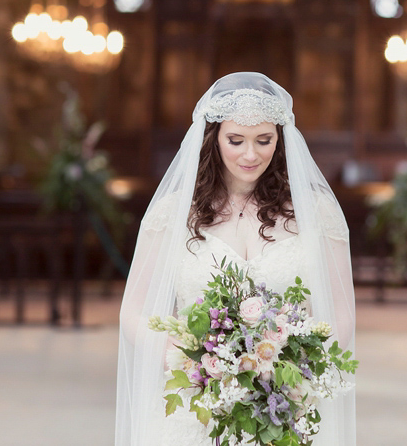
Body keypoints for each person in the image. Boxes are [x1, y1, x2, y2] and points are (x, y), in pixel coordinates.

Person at [115, 72, 357, 446]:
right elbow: (132, 313)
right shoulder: (173, 215)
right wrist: (194, 363)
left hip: (286, 403)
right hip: (197, 408)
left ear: (280, 140)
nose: (250, 154)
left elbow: (341, 314)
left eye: (264, 140)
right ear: (212, 139)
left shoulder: (317, 215)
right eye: (235, 140)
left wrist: (295, 371)